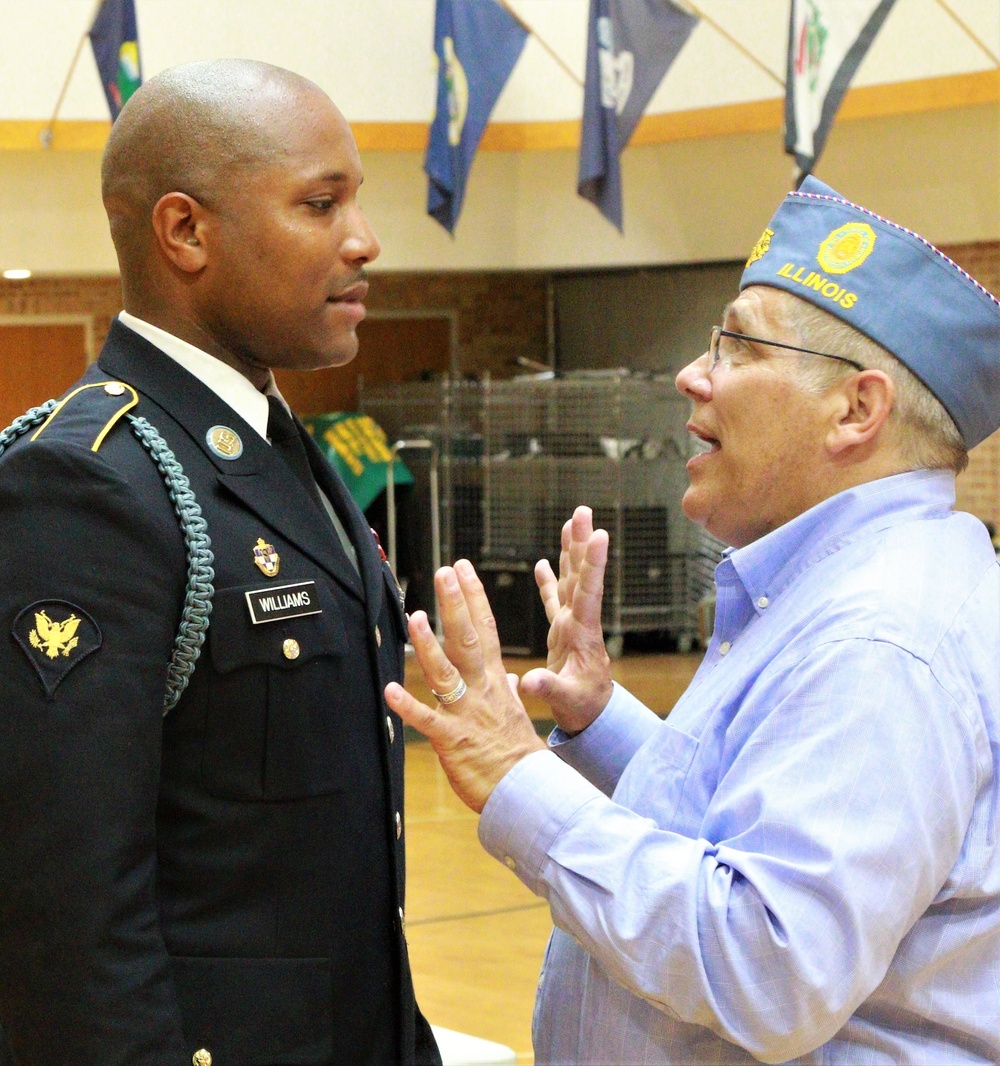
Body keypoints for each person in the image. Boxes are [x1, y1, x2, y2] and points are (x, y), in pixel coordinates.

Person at [386, 176, 1000, 1063]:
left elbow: (768, 964)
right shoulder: (851, 588)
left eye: (740, 347)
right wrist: (600, 722)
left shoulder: (880, 641)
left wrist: (519, 779)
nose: (692, 375)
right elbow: (751, 820)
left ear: (856, 411)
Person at [0, 60, 439, 1066]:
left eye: (354, 202)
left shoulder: (270, 443)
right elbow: (66, 918)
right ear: (186, 232)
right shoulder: (90, 485)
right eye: (319, 204)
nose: (363, 240)